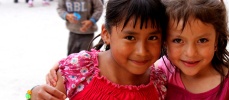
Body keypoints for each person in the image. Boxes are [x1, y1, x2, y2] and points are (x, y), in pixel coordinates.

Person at [44, 0, 229, 99]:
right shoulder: (163, 74)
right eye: (178, 40)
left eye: (202, 40)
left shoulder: (157, 80)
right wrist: (34, 92)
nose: (141, 51)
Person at [27, 0, 168, 99]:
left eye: (153, 38)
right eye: (130, 37)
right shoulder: (79, 69)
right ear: (106, 34)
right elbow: (41, 95)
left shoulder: (159, 83)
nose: (141, 51)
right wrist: (33, 93)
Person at [155, 0, 229, 99]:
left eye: (202, 40)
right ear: (165, 42)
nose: (191, 53)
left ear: (217, 40)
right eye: (178, 40)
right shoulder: (159, 74)